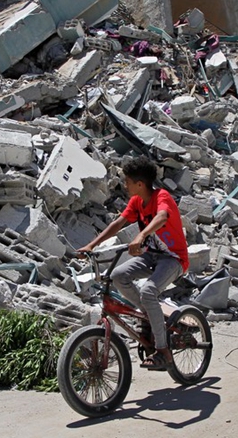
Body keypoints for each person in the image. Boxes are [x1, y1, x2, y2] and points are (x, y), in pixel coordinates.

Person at [77, 155, 189, 371]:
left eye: (127, 181)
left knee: (148, 291)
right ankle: (148, 314)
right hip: (152, 256)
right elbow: (119, 223)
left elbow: (162, 217)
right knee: (118, 276)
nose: (125, 184)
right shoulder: (137, 201)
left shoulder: (162, 197)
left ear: (140, 184)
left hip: (174, 259)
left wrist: (141, 236)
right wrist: (91, 245)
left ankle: (163, 350)